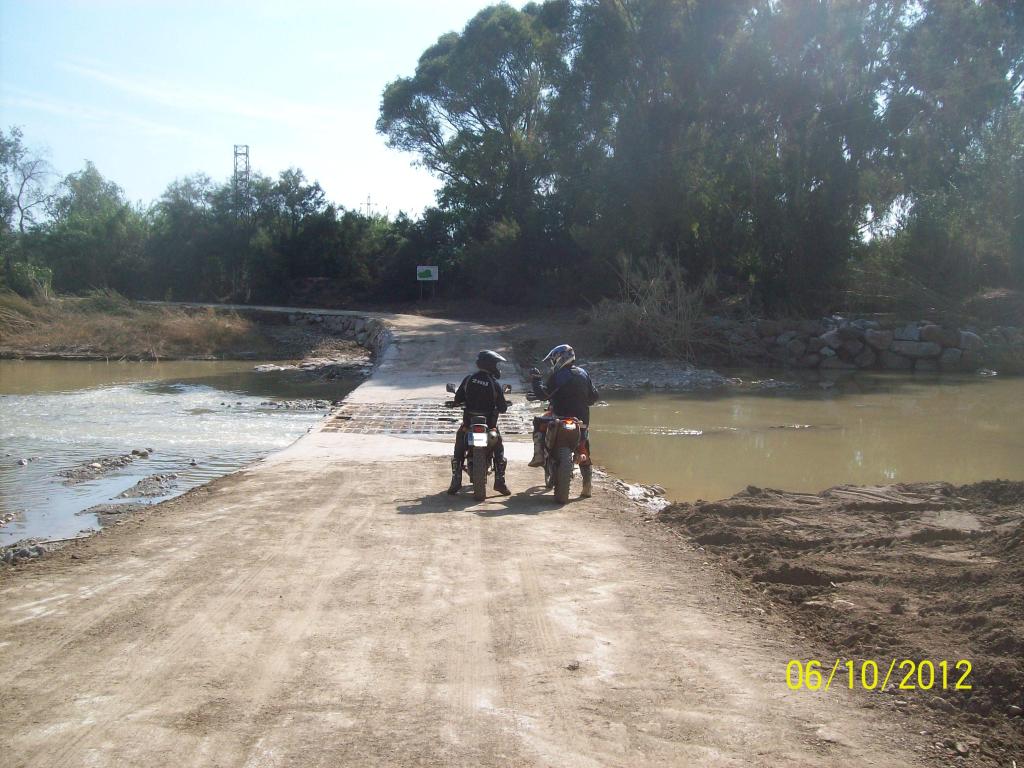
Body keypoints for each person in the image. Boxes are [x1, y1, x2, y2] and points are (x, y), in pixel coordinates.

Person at [529, 343, 600, 497]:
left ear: (560, 359)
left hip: (559, 418)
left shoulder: (559, 376)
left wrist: (536, 380)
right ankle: (587, 487)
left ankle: (539, 454)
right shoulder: (583, 373)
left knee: (538, 423)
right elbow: (594, 397)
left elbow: (544, 395)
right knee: (583, 447)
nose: (553, 363)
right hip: (581, 421)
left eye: (554, 360)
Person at [448, 350, 511, 496]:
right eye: (495, 364)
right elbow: (502, 408)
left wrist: (459, 402)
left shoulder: (469, 379)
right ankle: (500, 481)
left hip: (468, 425)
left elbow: (457, 399)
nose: (497, 367)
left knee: (459, 448)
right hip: (490, 426)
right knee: (498, 448)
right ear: (489, 365)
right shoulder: (494, 384)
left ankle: (456, 480)